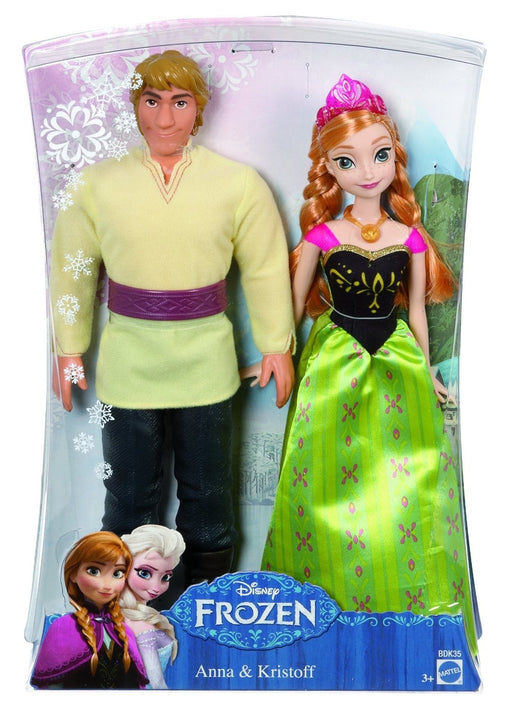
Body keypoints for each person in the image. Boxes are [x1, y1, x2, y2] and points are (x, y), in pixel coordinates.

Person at [49, 50, 295, 585]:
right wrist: (69, 347)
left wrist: (277, 343)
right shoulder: (97, 184)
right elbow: (72, 269)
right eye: (152, 101)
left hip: (206, 358)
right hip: (128, 359)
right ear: (134, 105)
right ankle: (123, 593)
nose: (165, 119)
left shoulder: (237, 183)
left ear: (199, 107)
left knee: (208, 487)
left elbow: (265, 267)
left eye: (180, 102)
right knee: (128, 489)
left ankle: (208, 588)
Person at [261, 74, 477, 654]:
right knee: (322, 477)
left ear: (394, 157)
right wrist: (276, 354)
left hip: (398, 358)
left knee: (409, 476)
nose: (367, 171)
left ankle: (413, 611)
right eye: (347, 160)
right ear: (329, 169)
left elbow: (417, 311)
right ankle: (316, 611)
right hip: (334, 360)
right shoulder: (323, 236)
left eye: (379, 155)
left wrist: (427, 369)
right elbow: (291, 305)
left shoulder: (409, 237)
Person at [31, 531, 148, 688]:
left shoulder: (125, 631)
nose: (107, 585)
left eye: (117, 573)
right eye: (94, 571)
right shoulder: (63, 627)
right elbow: (51, 688)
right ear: (73, 574)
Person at [120, 525, 185, 689]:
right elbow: (156, 684)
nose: (156, 587)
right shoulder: (142, 627)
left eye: (165, 577)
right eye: (144, 573)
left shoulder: (119, 616)